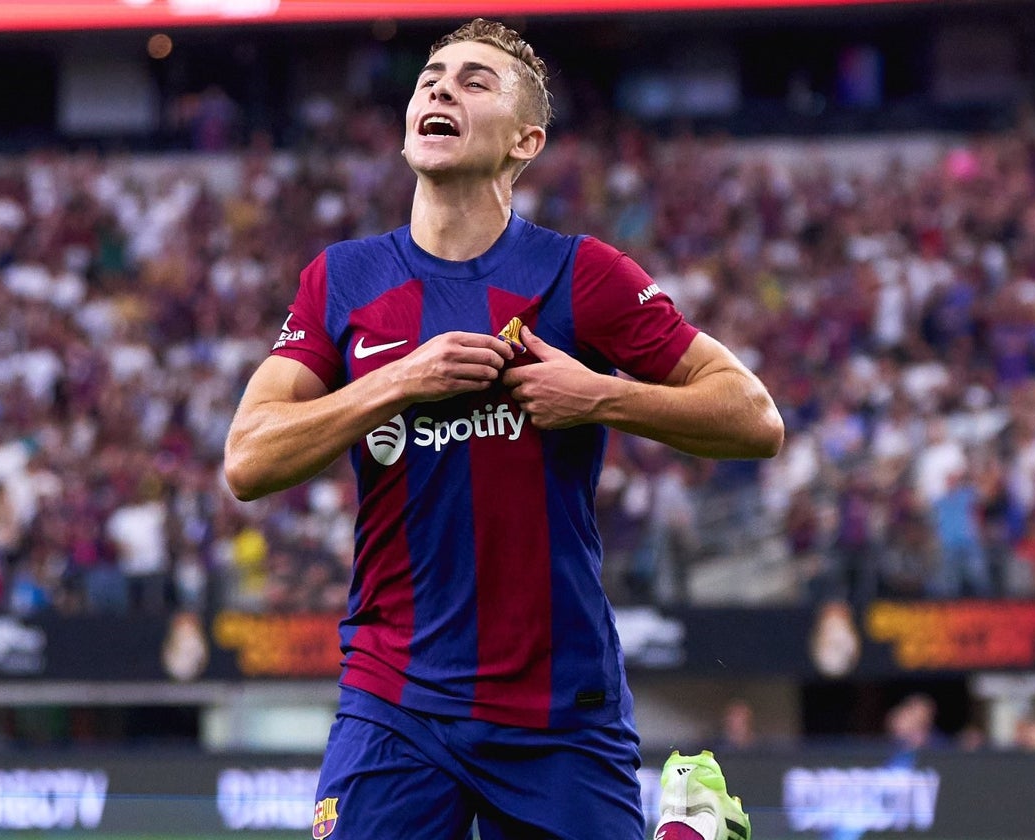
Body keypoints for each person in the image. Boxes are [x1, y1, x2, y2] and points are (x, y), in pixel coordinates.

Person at [224, 18, 782, 840]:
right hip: (396, 699)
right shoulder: (342, 280)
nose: (440, 87)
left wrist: (597, 396)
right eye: (430, 77)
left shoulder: (579, 273)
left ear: (526, 141)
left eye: (474, 80)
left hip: (558, 704)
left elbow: (754, 417)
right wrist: (400, 381)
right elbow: (247, 458)